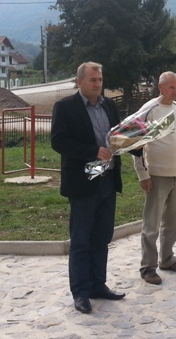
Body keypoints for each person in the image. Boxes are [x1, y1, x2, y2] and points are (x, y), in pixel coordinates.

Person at [51, 61, 126, 314]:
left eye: (100, 80)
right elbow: (59, 141)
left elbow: (118, 138)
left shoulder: (109, 106)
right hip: (83, 179)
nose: (98, 84)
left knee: (102, 237)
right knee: (81, 239)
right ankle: (80, 292)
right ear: (79, 81)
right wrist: (93, 151)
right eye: (93, 80)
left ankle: (97, 285)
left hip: (107, 177)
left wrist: (135, 143)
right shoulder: (65, 107)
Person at [133, 71, 176, 285]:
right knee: (152, 224)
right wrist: (142, 173)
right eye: (171, 87)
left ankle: (167, 259)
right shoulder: (149, 110)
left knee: (174, 221)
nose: (175, 91)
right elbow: (136, 143)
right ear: (160, 87)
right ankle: (148, 267)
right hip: (156, 174)